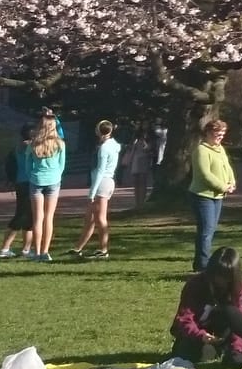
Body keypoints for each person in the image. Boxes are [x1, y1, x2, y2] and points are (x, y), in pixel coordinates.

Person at [171, 246, 242, 363]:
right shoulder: (194, 285)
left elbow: (240, 323)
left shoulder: (238, 289)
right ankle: (208, 350)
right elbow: (184, 318)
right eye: (217, 274)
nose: (221, 280)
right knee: (183, 355)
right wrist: (201, 335)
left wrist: (237, 348)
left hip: (223, 332)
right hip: (197, 333)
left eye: (226, 276)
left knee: (231, 312)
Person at [191, 119, 238, 271]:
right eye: (218, 133)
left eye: (223, 134)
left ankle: (204, 262)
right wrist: (223, 186)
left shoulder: (220, 149)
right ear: (208, 133)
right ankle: (202, 265)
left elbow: (227, 167)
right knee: (206, 231)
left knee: (210, 230)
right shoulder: (201, 150)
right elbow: (205, 174)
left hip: (217, 196)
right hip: (203, 195)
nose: (220, 137)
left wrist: (231, 182)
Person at [69, 119, 120, 259]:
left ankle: (103, 249)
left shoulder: (104, 148)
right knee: (90, 218)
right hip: (107, 182)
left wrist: (92, 191)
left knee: (100, 219)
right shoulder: (113, 145)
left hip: (102, 183)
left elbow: (100, 170)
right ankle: (78, 247)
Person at [24, 111, 67, 263]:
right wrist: (57, 175)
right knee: (49, 217)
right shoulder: (60, 144)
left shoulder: (33, 143)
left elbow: (28, 164)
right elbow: (62, 164)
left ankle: (36, 252)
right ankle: (45, 251)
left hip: (37, 180)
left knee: (37, 218)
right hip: (53, 180)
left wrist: (31, 176)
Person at [0, 124, 36, 260]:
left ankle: (26, 249)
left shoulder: (18, 147)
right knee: (21, 216)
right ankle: (5, 248)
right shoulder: (29, 147)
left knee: (29, 217)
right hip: (26, 182)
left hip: (22, 182)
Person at [125, 129, 154, 208]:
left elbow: (147, 149)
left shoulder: (148, 141)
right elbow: (131, 149)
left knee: (142, 181)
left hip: (143, 160)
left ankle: (141, 202)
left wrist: (144, 142)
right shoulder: (135, 140)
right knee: (136, 181)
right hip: (135, 161)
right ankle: (137, 202)